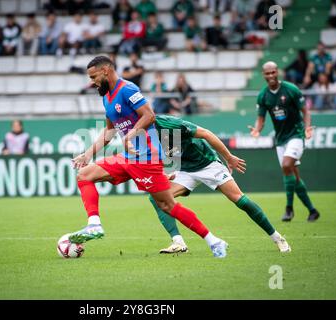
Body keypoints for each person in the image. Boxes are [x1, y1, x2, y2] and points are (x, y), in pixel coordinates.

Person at [69, 56, 229, 258]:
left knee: (167, 205)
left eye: (94, 77)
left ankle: (214, 241)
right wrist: (87, 153)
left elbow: (149, 115)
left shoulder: (127, 89)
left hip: (146, 158)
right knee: (84, 174)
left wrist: (131, 134)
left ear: (106, 71)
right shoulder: (106, 97)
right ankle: (94, 225)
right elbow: (110, 132)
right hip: (128, 157)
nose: (91, 82)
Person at [151, 114, 291, 254]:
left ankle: (278, 238)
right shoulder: (138, 131)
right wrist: (169, 171)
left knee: (239, 200)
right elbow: (163, 153)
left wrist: (229, 157)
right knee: (157, 196)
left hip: (207, 164)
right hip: (184, 169)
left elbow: (206, 133)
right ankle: (178, 242)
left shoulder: (168, 123)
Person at [249, 61, 320, 222]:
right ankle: (312, 210)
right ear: (263, 75)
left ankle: (289, 209)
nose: (271, 76)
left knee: (287, 166)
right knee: (292, 175)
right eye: (268, 73)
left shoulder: (291, 89)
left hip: (296, 135)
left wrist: (307, 128)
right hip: (280, 140)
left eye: (273, 72)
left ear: (277, 72)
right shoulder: (263, 95)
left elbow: (305, 111)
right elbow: (261, 119)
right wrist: (257, 130)